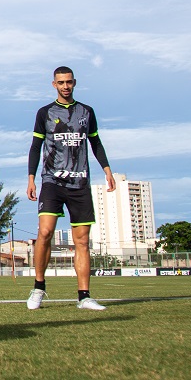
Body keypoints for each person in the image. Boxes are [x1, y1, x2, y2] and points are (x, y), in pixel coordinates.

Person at [26, 66, 116, 312]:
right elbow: (36, 146)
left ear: (74, 83)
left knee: (82, 241)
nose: (65, 86)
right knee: (45, 232)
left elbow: (95, 142)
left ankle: (84, 296)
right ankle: (39, 287)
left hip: (80, 183)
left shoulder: (86, 112)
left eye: (69, 82)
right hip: (52, 182)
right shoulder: (44, 113)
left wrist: (107, 169)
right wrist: (31, 178)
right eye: (61, 82)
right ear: (54, 84)